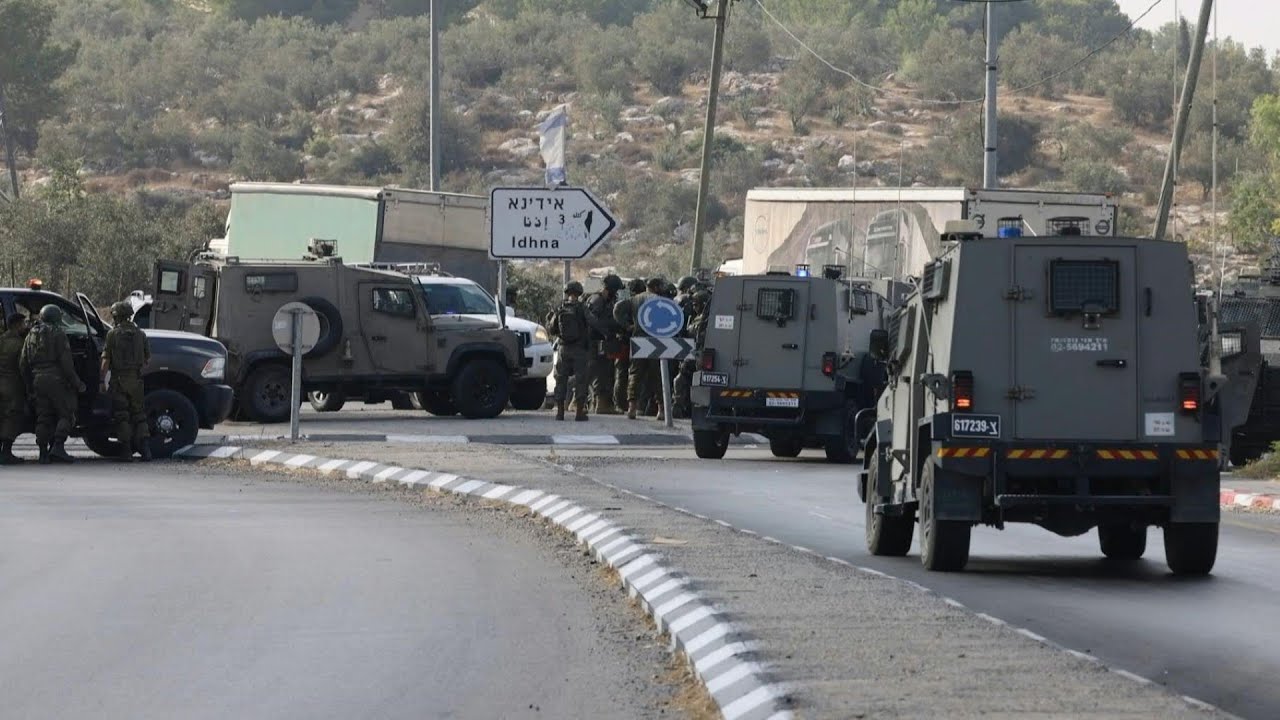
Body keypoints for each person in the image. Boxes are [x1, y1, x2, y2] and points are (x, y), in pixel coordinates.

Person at [20, 305, 85, 464]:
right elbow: (66, 364)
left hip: (37, 380)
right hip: (56, 380)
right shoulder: (58, 333)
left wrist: (29, 386)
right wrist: (78, 384)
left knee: (44, 417)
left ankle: (43, 453)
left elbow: (23, 363)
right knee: (67, 413)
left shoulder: (31, 335)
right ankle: (58, 447)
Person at [102, 301, 152, 462]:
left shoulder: (112, 335)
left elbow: (105, 361)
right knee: (139, 415)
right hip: (136, 381)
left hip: (119, 380)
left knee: (122, 416)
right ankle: (145, 451)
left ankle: (126, 451)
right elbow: (147, 360)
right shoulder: (140, 334)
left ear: (116, 316)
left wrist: (102, 380)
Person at [616, 276, 667, 420]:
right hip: (656, 340)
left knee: (635, 375)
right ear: (656, 287)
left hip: (638, 340)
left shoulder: (635, 299)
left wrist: (628, 326)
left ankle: (632, 408)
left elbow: (617, 310)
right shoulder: (659, 300)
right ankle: (661, 410)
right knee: (658, 376)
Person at [547, 281, 592, 422]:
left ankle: (560, 413)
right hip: (579, 349)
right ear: (579, 293)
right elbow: (592, 322)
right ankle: (579, 413)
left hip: (563, 349)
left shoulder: (560, 308)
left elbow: (552, 329)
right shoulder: (582, 308)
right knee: (581, 380)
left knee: (560, 380)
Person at [585, 274, 624, 415]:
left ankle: (597, 404)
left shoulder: (605, 301)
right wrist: (607, 332)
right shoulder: (597, 300)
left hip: (600, 342)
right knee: (598, 373)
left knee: (602, 372)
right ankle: (598, 405)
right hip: (594, 342)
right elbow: (592, 320)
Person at [673, 289, 711, 419]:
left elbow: (700, 339)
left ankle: (682, 408)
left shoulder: (707, 320)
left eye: (697, 304)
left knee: (681, 380)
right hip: (693, 354)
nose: (694, 307)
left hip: (700, 356)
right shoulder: (697, 318)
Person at [611, 278, 647, 413]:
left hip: (625, 341)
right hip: (634, 342)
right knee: (638, 375)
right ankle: (634, 406)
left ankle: (621, 405)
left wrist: (627, 327)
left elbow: (616, 314)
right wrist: (629, 327)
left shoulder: (627, 302)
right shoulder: (641, 303)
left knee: (622, 375)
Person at [0, 313, 29, 464]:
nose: (25, 326)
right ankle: (6, 452)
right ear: (17, 325)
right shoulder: (20, 344)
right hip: (13, 385)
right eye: (24, 323)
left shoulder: (1, 339)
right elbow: (23, 366)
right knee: (11, 418)